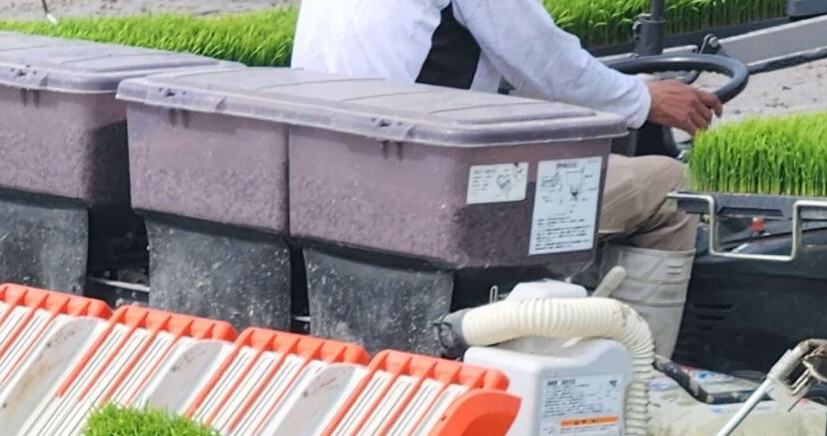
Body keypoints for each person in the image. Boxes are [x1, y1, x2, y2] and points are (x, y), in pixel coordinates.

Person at [292, 0, 725, 357]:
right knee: (669, 185)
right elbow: (542, 61)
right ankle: (638, 385)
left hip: (336, 182)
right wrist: (642, 98)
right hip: (429, 206)